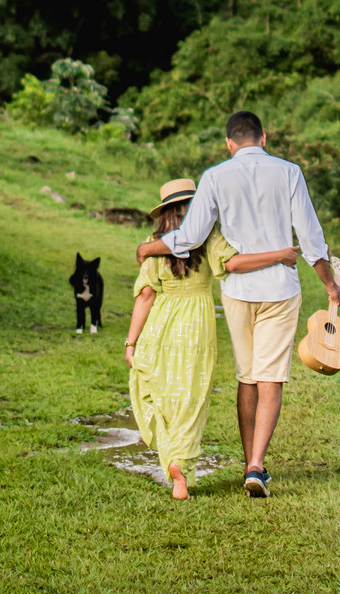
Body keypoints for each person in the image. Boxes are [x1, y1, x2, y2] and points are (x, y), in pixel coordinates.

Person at [136, 112, 340, 499]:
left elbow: (192, 236)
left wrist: (151, 246)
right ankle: (255, 466)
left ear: (230, 143)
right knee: (271, 377)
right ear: (264, 137)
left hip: (237, 291)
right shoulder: (289, 172)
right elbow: (311, 236)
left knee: (247, 376)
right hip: (280, 289)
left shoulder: (215, 176)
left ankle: (250, 461)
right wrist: (330, 283)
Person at [125, 177, 303, 500]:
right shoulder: (208, 238)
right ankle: (181, 462)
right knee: (191, 398)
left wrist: (131, 342)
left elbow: (145, 296)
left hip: (161, 323)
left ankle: (171, 460)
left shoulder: (152, 245)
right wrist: (279, 255)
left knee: (158, 392)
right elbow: (234, 262)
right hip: (196, 324)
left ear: (164, 213)